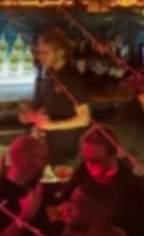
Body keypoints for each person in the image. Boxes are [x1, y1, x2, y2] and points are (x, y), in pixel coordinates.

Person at [18, 28, 91, 165]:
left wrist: (51, 125)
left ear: (60, 53)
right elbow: (54, 103)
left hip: (67, 150)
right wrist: (33, 115)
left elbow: (84, 119)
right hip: (51, 144)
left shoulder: (73, 80)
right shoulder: (51, 74)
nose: (40, 57)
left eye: (45, 53)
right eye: (39, 52)